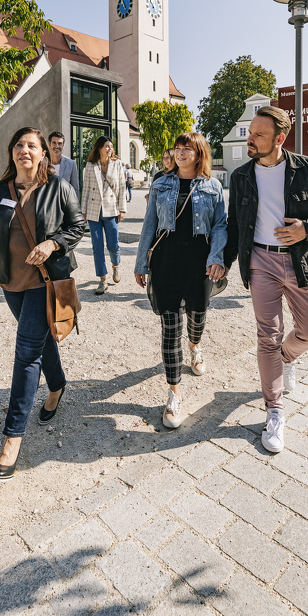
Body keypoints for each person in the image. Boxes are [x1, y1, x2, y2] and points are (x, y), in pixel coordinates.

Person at [0, 127, 86, 482]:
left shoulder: (58, 187)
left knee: (26, 352)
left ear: (43, 154)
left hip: (46, 281)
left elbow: (77, 225)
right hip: (12, 284)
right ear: (12, 153)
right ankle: (57, 386)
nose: (25, 150)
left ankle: (12, 439)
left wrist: (53, 244)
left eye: (32, 146)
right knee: (39, 340)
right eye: (19, 145)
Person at [224, 106, 308, 454]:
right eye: (249, 131)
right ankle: (274, 410)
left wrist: (307, 228)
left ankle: (286, 358)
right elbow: (235, 226)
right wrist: (222, 260)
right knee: (268, 337)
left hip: (300, 261)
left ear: (279, 139)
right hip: (260, 262)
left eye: (258, 135)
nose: (249, 138)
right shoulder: (241, 176)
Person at [135, 132, 227, 429]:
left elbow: (220, 225)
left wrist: (217, 257)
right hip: (166, 260)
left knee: (198, 315)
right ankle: (174, 394)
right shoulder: (160, 183)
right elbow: (150, 224)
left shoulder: (213, 185)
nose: (181, 152)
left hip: (200, 262)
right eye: (178, 147)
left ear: (199, 153)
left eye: (188, 148)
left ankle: (196, 346)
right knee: (170, 325)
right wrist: (141, 263)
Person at [81, 136, 127, 295]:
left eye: (111, 146)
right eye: (106, 146)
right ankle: (102, 279)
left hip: (112, 209)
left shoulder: (118, 164)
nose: (109, 149)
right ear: (99, 148)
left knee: (113, 244)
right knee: (97, 246)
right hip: (94, 210)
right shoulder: (90, 165)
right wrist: (83, 211)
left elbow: (122, 186)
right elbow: (85, 189)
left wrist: (122, 209)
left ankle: (115, 265)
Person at [48, 131, 80, 197]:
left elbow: (75, 188)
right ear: (49, 144)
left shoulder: (71, 164)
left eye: (60, 143)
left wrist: (75, 205)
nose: (57, 146)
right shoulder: (42, 163)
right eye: (54, 143)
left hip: (64, 204)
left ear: (63, 145)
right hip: (46, 203)